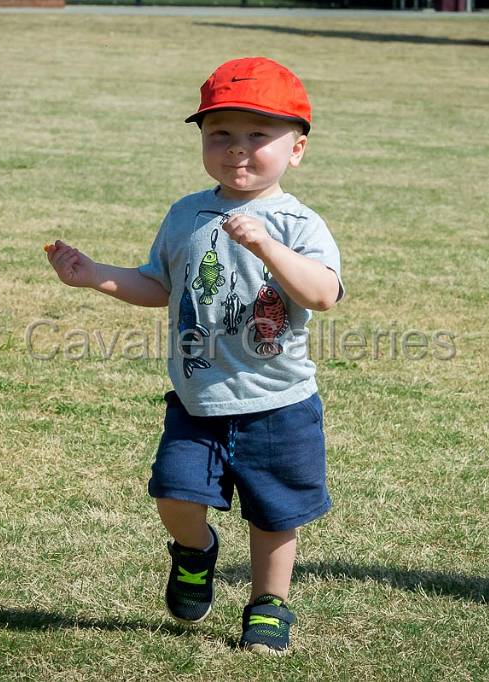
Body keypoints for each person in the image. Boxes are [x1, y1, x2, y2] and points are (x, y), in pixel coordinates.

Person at [45, 57, 344, 655]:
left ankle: (268, 603)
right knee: (174, 495)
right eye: (220, 135)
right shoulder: (186, 214)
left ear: (297, 149)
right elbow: (160, 286)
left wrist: (265, 244)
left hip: (277, 403)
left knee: (275, 513)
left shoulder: (297, 223)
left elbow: (322, 293)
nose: (238, 149)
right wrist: (95, 276)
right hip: (197, 396)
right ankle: (194, 550)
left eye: (259, 135)